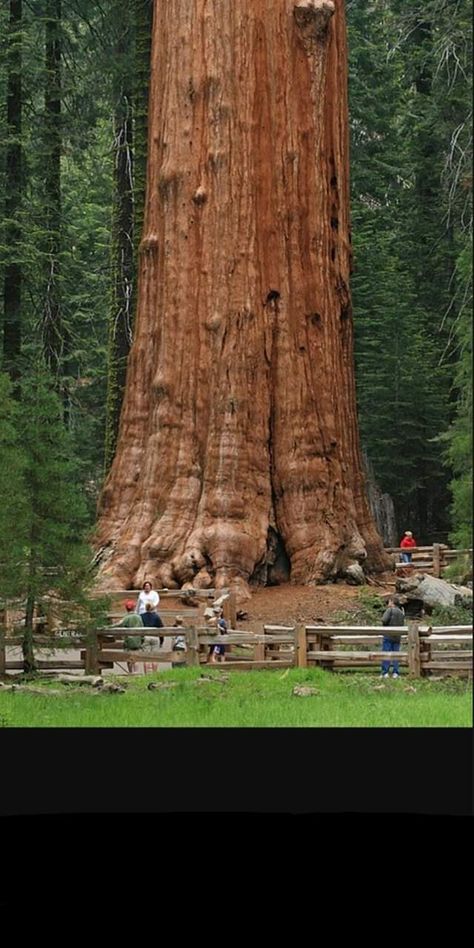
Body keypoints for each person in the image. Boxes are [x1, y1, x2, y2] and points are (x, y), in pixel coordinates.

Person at [112, 599, 144, 674]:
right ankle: (136, 672)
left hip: (128, 641)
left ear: (126, 608)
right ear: (134, 607)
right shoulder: (139, 617)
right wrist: (142, 638)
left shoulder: (126, 618)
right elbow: (142, 627)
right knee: (135, 657)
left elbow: (119, 624)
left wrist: (107, 627)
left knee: (128, 657)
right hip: (137, 640)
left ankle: (130, 672)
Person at [381, 596, 405, 679]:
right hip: (397, 636)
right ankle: (396, 672)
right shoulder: (401, 612)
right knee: (396, 654)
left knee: (386, 654)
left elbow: (384, 620)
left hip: (388, 635)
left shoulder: (389, 610)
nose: (388, 603)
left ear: (392, 602)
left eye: (389, 602)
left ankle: (385, 672)